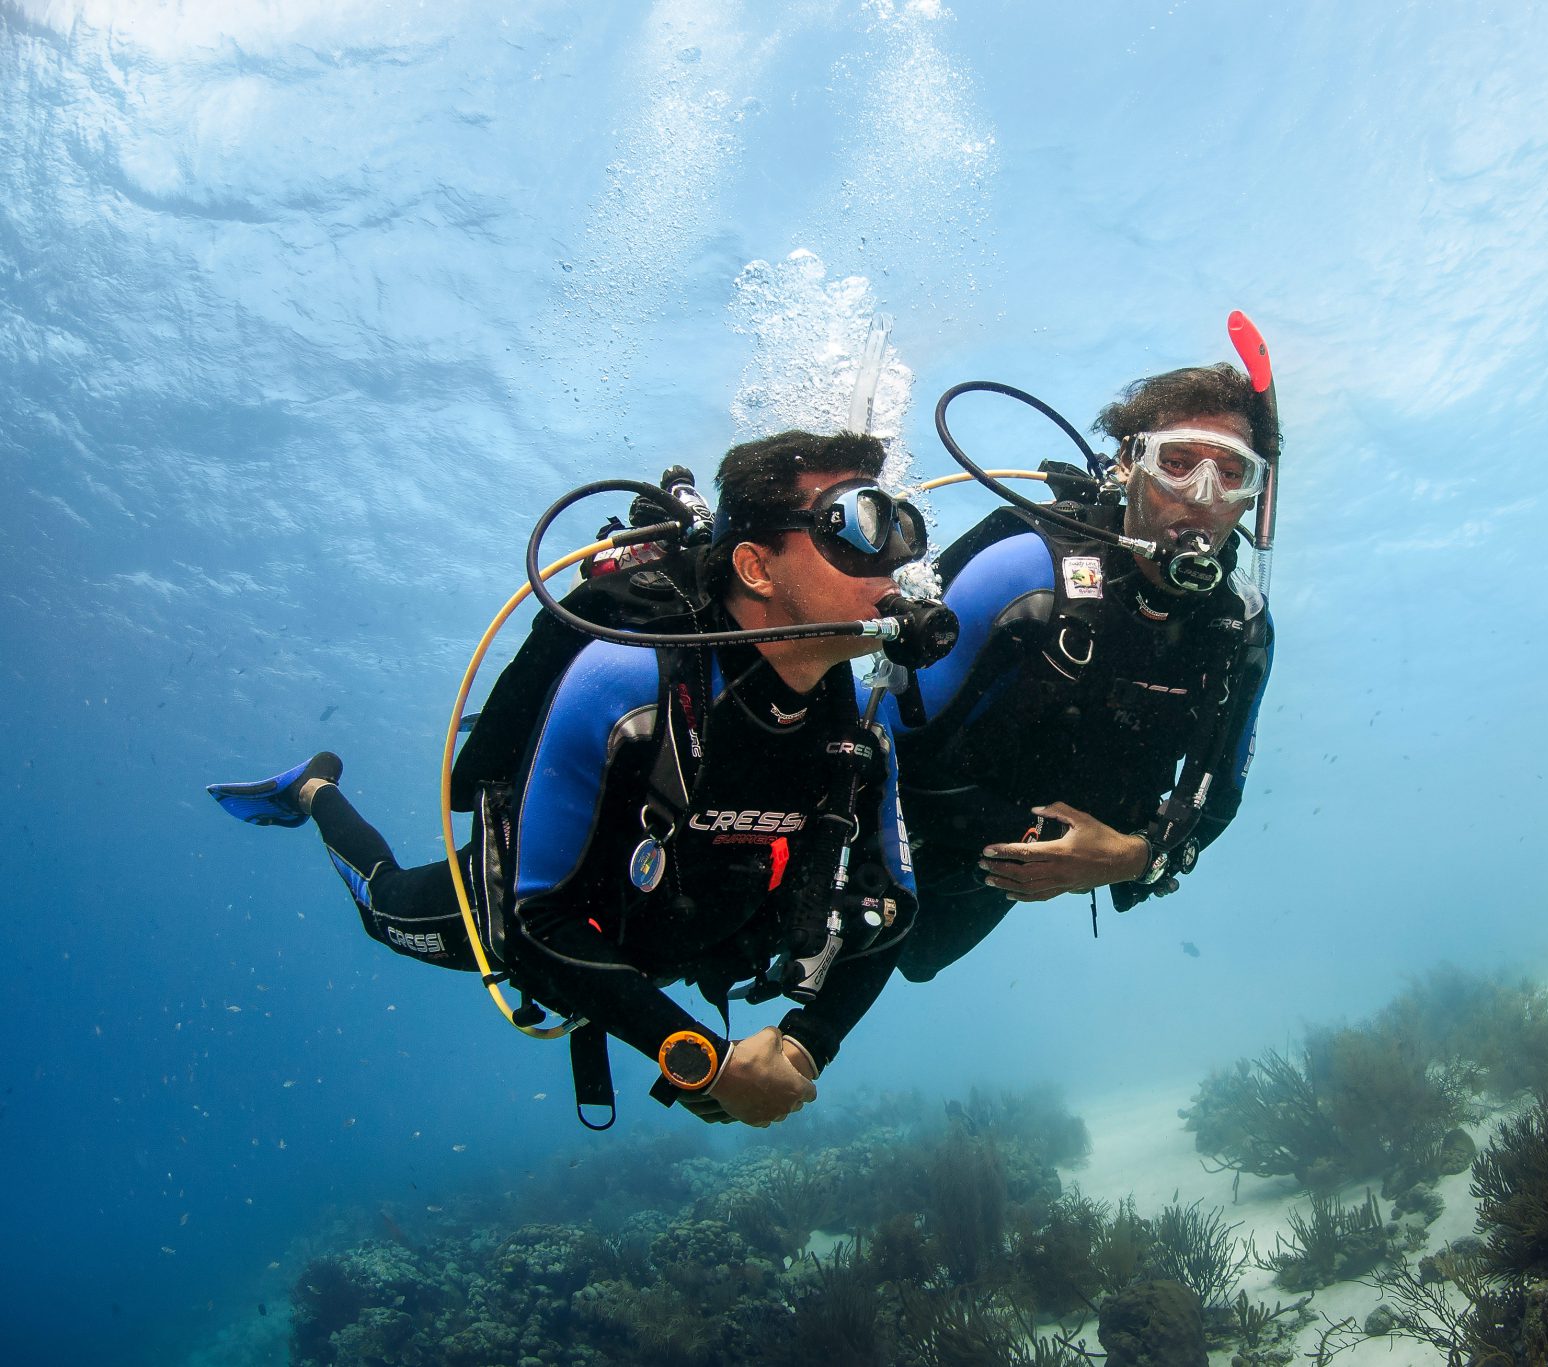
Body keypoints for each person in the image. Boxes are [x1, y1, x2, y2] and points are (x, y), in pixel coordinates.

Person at [207, 431, 940, 1127]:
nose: (892, 566)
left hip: (695, 924)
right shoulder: (625, 683)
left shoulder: (862, 723)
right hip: (561, 907)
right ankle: (314, 788)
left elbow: (893, 903)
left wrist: (807, 1041)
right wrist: (699, 1061)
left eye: (901, 530)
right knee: (384, 907)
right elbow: (534, 919)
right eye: (857, 529)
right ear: (755, 566)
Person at [889, 362, 1278, 981]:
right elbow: (886, 750)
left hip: (1003, 875)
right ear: (1129, 465)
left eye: (1231, 475)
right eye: (1177, 463)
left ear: (1253, 498)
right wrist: (1041, 837)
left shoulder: (1240, 629)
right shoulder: (1023, 573)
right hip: (903, 837)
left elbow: (1217, 796)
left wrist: (1132, 857)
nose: (1203, 495)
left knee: (918, 959)